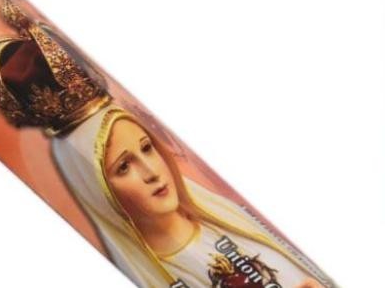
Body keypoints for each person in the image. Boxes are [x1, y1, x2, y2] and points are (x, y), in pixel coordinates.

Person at [51, 107, 328, 288]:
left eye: (147, 148)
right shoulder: (149, 276)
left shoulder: (230, 219)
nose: (151, 172)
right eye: (124, 166)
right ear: (97, 191)